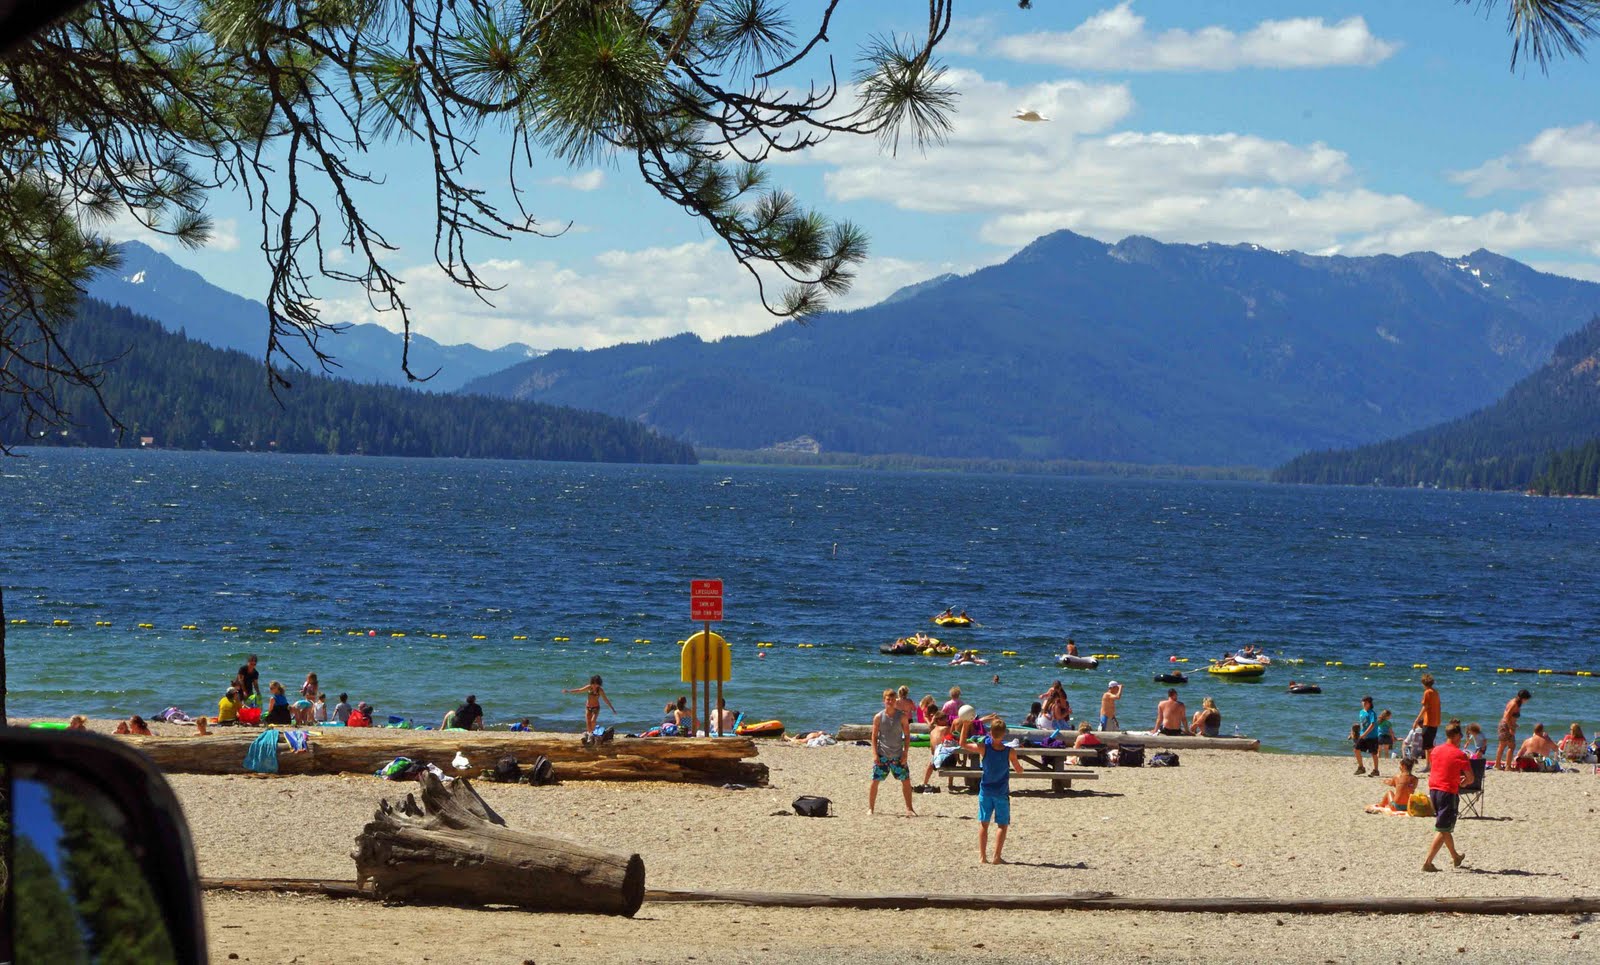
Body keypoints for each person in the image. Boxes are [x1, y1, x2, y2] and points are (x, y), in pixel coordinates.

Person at [962, 718, 1022, 863]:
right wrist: (1019, 768)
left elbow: (962, 744)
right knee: (1002, 825)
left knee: (984, 823)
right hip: (1001, 793)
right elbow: (1018, 770)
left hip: (986, 791)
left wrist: (965, 725)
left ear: (990, 733)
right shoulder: (1010, 751)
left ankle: (983, 857)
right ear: (1004, 734)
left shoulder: (984, 748)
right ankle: (996, 856)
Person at [1423, 721, 1476, 872]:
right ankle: (1428, 862)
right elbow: (1471, 778)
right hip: (1448, 792)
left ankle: (1455, 857)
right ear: (1457, 736)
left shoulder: (1435, 751)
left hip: (1433, 789)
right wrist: (1464, 782)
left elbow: (1439, 768)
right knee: (1443, 828)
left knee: (1444, 827)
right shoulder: (1460, 754)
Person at [868, 688, 915, 817]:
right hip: (882, 755)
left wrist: (905, 753)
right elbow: (874, 736)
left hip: (898, 755)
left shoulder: (902, 716)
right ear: (884, 701)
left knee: (906, 781)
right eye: (888, 699)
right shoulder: (878, 717)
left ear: (896, 701)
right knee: (874, 781)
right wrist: (875, 754)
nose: (890, 701)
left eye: (892, 699)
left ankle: (909, 808)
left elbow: (907, 735)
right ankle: (871, 808)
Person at [1493, 689, 1531, 771]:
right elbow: (1506, 716)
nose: (1526, 701)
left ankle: (1497, 765)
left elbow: (1510, 716)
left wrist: (1514, 724)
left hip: (1505, 725)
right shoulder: (1514, 704)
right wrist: (1511, 728)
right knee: (1511, 746)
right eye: (1526, 699)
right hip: (1506, 726)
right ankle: (1507, 766)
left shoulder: (1515, 702)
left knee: (1502, 745)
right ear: (1523, 698)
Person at [1413, 673, 1441, 770]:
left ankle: (1429, 766)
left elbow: (1425, 707)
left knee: (1427, 746)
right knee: (1430, 745)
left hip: (1428, 721)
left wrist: (1416, 720)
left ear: (1423, 683)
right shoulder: (1435, 692)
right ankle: (1430, 765)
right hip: (1435, 721)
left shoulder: (1427, 692)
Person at [921, 711, 956, 787]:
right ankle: (950, 783)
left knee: (930, 765)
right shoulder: (946, 728)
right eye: (945, 719)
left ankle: (925, 782)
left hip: (935, 758)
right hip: (945, 759)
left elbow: (931, 747)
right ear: (939, 720)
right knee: (953, 755)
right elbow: (953, 737)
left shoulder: (932, 731)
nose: (947, 721)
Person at [1353, 696, 1380, 776]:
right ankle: (1361, 767)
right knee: (1356, 749)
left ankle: (1376, 770)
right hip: (1362, 736)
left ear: (1370, 703)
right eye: (1363, 701)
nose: (1364, 703)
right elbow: (1362, 724)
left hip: (1372, 736)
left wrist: (1365, 734)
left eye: (1366, 702)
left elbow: (1372, 725)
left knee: (1373, 753)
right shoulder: (1361, 712)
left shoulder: (1372, 713)